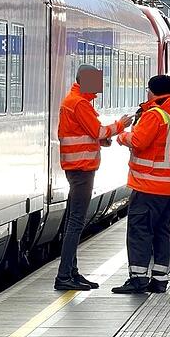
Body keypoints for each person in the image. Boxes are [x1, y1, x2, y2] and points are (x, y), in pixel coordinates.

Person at [55, 65, 130, 291]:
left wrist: (98, 141)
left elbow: (83, 133)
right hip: (81, 169)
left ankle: (71, 272)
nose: (99, 89)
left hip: (78, 167)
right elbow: (97, 131)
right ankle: (64, 275)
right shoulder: (78, 103)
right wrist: (121, 125)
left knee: (73, 221)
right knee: (76, 222)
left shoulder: (76, 101)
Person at [113, 75, 170, 295]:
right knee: (162, 232)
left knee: (140, 232)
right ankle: (160, 279)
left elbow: (138, 141)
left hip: (149, 186)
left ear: (152, 92)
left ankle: (138, 279)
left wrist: (122, 135)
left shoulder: (155, 115)